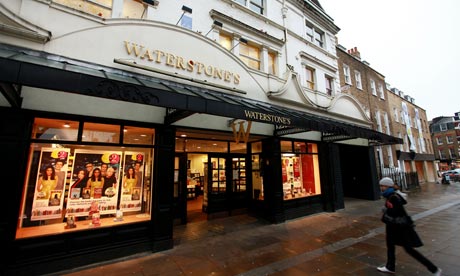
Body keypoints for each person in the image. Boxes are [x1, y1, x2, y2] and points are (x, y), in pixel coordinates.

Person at [377, 177, 442, 275]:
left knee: (409, 250)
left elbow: (399, 214)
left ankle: (434, 269)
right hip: (393, 227)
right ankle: (390, 267)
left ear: (387, 186)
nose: (381, 188)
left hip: (399, 229)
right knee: (390, 246)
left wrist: (386, 214)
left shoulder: (393, 197)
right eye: (381, 186)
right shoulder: (391, 196)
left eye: (382, 186)